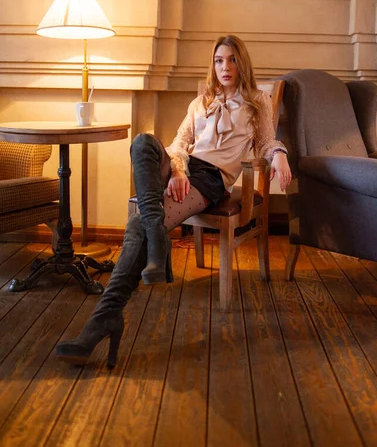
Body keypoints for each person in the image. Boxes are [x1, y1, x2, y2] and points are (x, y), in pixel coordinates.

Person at [56, 35, 292, 368]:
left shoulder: (257, 100)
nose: (225, 67)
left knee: (139, 222)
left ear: (243, 63)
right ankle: (157, 246)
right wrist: (177, 171)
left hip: (211, 179)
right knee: (143, 143)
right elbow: (178, 145)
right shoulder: (201, 102)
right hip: (184, 172)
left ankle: (103, 321)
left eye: (232, 60)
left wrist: (279, 155)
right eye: (219, 60)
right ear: (213, 64)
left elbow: (267, 142)